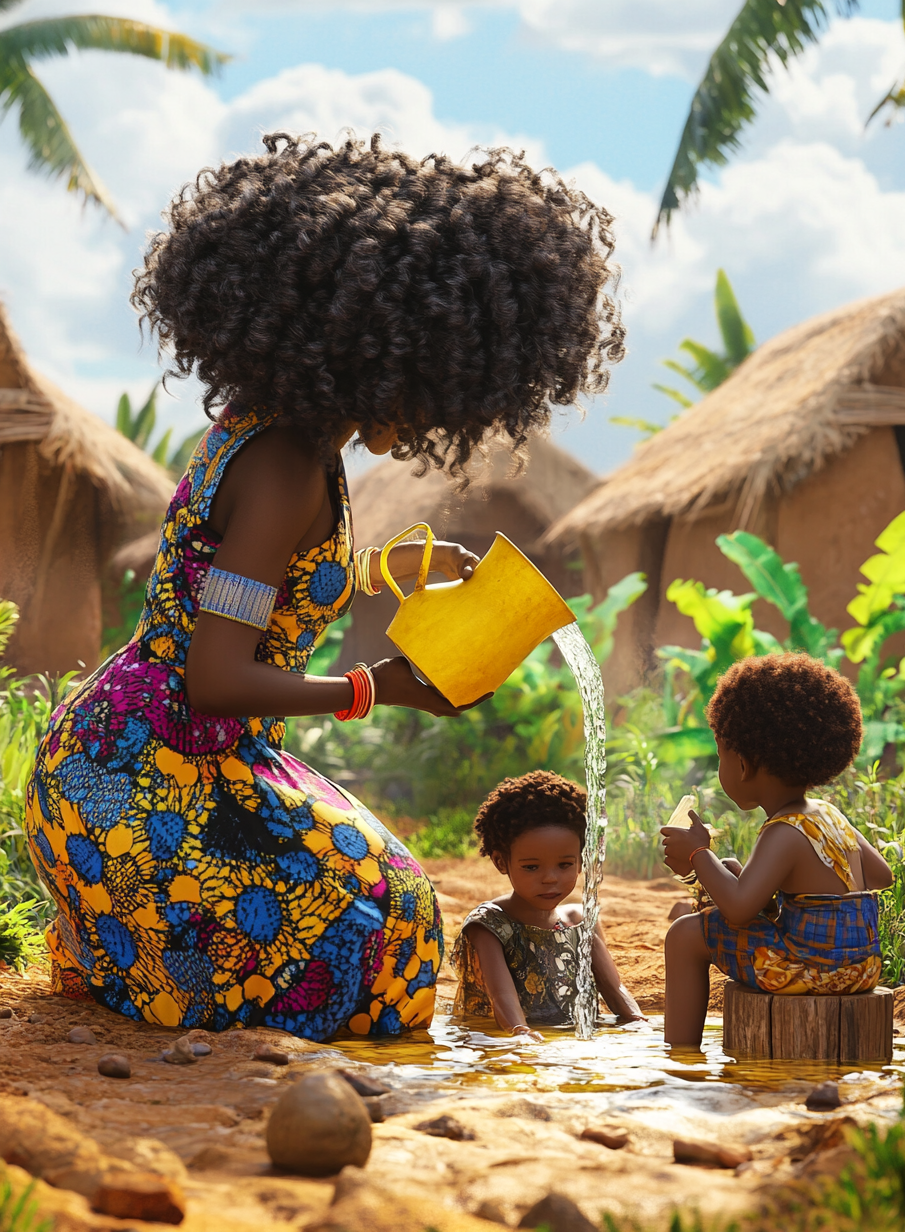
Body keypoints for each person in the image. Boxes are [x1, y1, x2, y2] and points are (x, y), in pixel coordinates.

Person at [24, 133, 625, 1041]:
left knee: (391, 908)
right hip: (145, 777)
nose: (435, 418)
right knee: (394, 925)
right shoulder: (287, 466)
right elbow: (215, 677)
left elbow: (257, 581)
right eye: (435, 384)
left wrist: (394, 570)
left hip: (138, 751)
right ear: (386, 352)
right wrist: (378, 688)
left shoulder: (272, 434)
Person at [661, 653, 894, 1048]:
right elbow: (881, 875)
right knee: (734, 868)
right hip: (862, 968)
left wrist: (699, 854)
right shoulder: (828, 814)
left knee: (684, 935)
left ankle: (680, 1053)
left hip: (812, 971)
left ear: (743, 764)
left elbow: (738, 909)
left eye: (720, 756)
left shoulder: (783, 832)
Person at [451, 771, 644, 1039]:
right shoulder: (489, 925)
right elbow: (501, 995)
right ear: (500, 862)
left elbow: (615, 990)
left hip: (568, 1043)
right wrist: (520, 1034)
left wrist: (639, 1023)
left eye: (565, 865)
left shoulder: (578, 921)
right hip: (497, 1041)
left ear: (581, 860)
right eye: (531, 867)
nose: (550, 878)